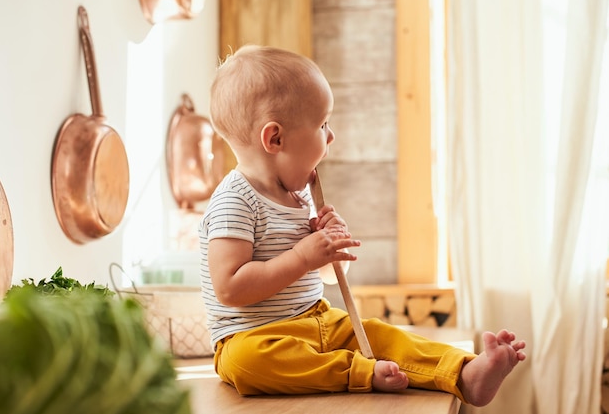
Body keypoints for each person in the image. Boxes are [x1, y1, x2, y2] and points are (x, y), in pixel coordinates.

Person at [198, 44, 526, 407]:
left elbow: (319, 277)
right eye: (323, 124)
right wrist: (302, 257)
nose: (331, 136)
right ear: (275, 138)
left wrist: (327, 254)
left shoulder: (299, 195)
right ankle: (360, 372)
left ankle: (463, 371)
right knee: (246, 364)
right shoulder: (235, 201)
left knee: (381, 334)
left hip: (318, 321)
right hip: (255, 336)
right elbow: (229, 288)